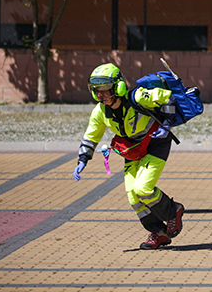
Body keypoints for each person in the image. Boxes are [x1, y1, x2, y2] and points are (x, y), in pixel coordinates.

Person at [73, 63, 185, 249]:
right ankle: (159, 233)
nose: (99, 95)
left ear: (118, 87)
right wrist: (82, 159)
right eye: (96, 90)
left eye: (104, 89)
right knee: (133, 197)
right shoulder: (100, 112)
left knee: (143, 188)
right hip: (134, 149)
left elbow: (167, 98)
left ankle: (174, 211)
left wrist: (166, 125)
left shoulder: (138, 97)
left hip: (156, 144)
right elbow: (91, 136)